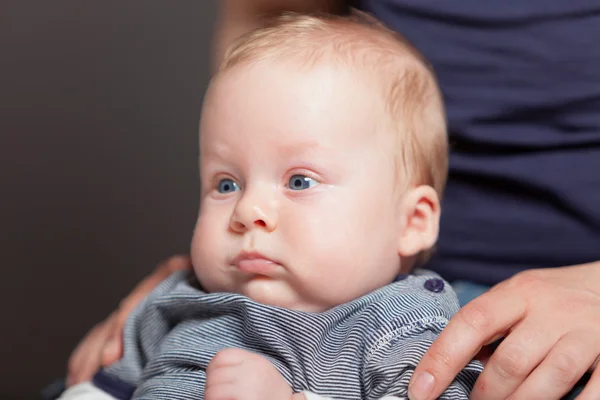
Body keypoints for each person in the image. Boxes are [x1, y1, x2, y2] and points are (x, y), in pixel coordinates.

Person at [67, 1, 600, 400]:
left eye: (299, 181)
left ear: (413, 221)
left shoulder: (403, 328)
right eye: (226, 184)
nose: (246, 212)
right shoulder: (177, 303)